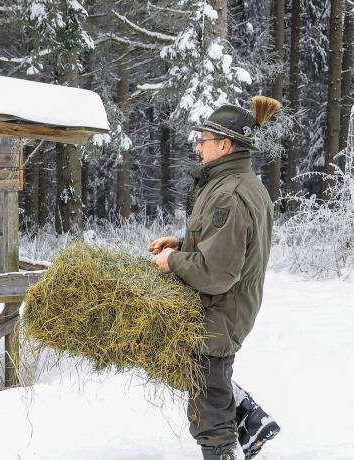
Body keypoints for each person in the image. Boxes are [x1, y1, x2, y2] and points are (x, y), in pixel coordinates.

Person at [149, 97, 282, 460]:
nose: (198, 146)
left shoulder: (230, 193)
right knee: (203, 379)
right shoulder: (235, 183)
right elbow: (225, 243)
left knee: (210, 412)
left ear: (224, 145)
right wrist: (181, 242)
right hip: (223, 307)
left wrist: (173, 262)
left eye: (203, 139)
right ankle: (253, 421)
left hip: (221, 309)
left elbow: (217, 272)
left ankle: (227, 449)